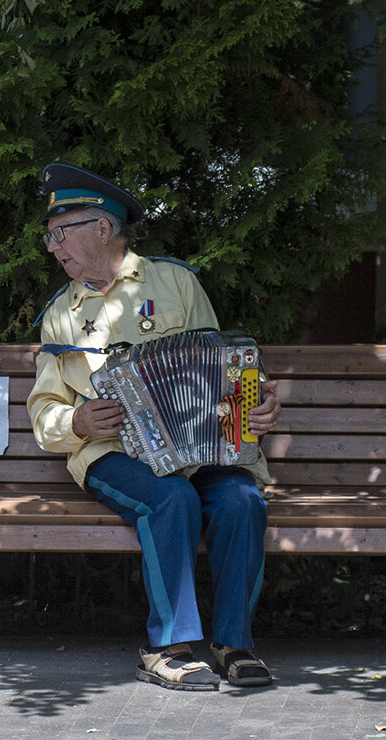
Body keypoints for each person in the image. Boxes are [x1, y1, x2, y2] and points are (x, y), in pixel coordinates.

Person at [27, 163, 281, 691]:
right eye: (49, 237)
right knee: (172, 500)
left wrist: (254, 404)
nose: (52, 247)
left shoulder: (175, 281)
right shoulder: (60, 314)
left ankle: (235, 643)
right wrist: (76, 419)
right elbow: (45, 413)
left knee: (241, 500)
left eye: (59, 234)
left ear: (102, 228)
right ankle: (167, 647)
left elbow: (222, 367)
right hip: (110, 452)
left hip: (197, 446)